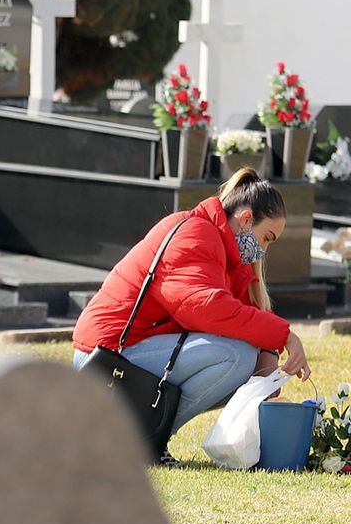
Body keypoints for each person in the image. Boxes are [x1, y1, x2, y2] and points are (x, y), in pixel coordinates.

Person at [73, 167, 311, 467]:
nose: (262, 250)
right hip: (106, 357)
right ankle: (141, 441)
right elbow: (208, 309)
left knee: (246, 360)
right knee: (235, 356)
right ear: (247, 219)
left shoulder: (220, 245)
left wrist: (268, 360)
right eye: (266, 238)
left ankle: (141, 439)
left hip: (127, 354)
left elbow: (245, 315)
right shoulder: (196, 233)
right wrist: (285, 335)